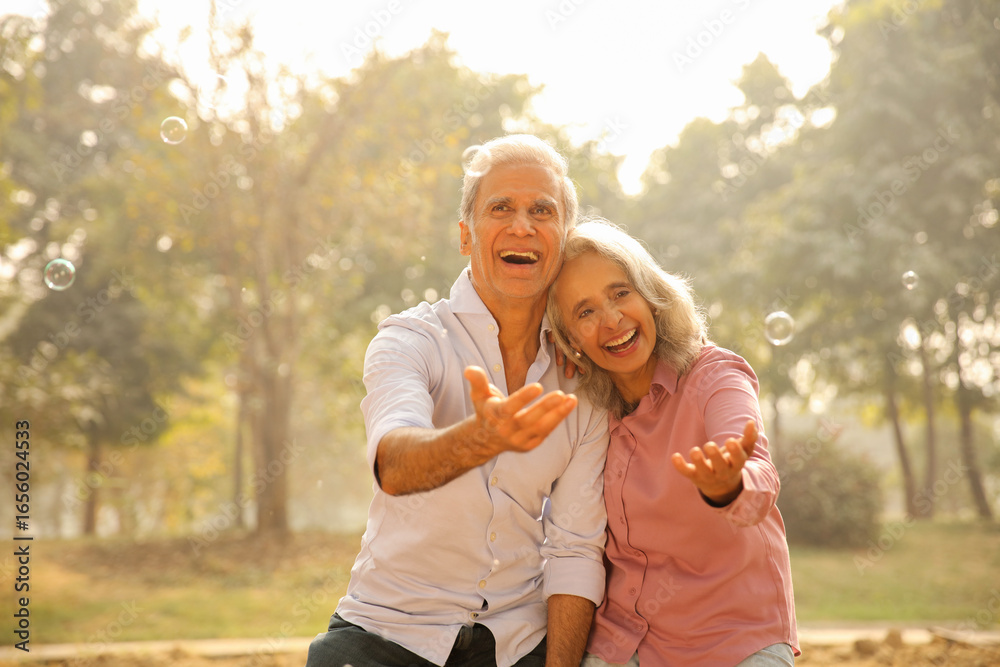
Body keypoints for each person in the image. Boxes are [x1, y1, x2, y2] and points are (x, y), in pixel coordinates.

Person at [305, 135, 610, 667]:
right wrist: (479, 440)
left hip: (517, 643)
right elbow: (394, 464)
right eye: (501, 208)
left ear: (563, 240)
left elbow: (575, 549)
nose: (522, 226)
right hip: (386, 632)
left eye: (542, 210)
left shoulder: (583, 378)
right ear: (466, 236)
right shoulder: (410, 340)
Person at [547, 220, 799, 666]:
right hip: (622, 641)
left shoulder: (716, 376)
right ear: (570, 340)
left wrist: (729, 485)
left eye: (621, 293)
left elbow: (757, 471)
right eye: (585, 312)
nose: (612, 320)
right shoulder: (585, 406)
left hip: (734, 639)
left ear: (652, 296)